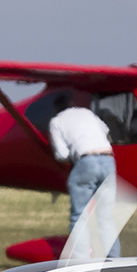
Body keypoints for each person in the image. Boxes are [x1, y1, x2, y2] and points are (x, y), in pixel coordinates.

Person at [48, 97, 120, 259]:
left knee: (79, 216)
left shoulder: (56, 121)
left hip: (86, 161)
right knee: (106, 217)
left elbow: (61, 154)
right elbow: (106, 130)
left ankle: (82, 262)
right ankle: (114, 260)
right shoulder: (87, 113)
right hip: (109, 160)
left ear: (56, 109)